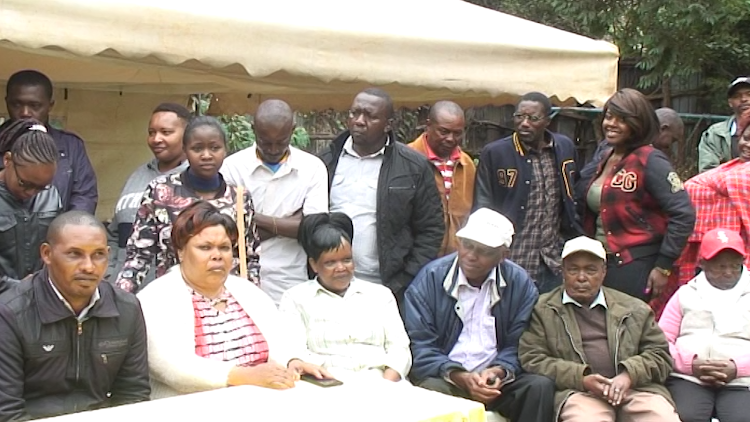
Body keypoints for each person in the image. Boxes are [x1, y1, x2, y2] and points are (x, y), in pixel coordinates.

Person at [137, 201, 330, 399]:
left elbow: (281, 340)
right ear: (181, 252)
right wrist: (243, 375)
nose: (217, 256)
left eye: (224, 248)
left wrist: (292, 361)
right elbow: (173, 367)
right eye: (205, 248)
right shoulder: (156, 298)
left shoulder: (246, 291)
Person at [404, 208, 554, 422]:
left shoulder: (520, 284)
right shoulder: (430, 279)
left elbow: (521, 344)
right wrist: (460, 376)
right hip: (447, 378)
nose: (471, 256)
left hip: (496, 382)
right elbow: (420, 346)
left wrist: (499, 371)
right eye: (466, 245)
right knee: (431, 390)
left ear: (503, 255)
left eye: (484, 251)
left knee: (539, 386)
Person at [0, 211, 150, 420]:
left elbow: (133, 395)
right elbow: (6, 411)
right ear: (46, 254)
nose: (88, 266)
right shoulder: (10, 313)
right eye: (74, 254)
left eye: (98, 254)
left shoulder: (127, 308)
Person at [519, 235, 680, 422]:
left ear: (604, 272)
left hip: (636, 389)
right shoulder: (544, 309)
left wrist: (628, 375)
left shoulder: (634, 308)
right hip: (580, 392)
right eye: (573, 269)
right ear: (562, 271)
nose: (581, 277)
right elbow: (532, 358)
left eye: (590, 270)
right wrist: (582, 378)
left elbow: (660, 355)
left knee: (661, 418)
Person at [319, 88, 443, 299]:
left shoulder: (413, 166)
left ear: (388, 124)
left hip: (384, 286)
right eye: (354, 113)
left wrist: (405, 279)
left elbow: (431, 228)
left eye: (370, 116)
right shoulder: (325, 160)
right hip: (328, 283)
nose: (359, 121)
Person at [116, 116, 260, 293]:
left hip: (226, 301)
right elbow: (139, 255)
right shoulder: (161, 193)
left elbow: (251, 258)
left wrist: (253, 301)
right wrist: (120, 300)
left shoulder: (239, 198)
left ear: (225, 150)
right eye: (197, 148)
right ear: (185, 150)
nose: (206, 155)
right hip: (174, 298)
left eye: (215, 148)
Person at [576, 88, 695, 302]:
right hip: (600, 261)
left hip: (635, 264)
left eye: (621, 119)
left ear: (638, 124)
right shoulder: (605, 156)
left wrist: (663, 266)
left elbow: (683, 213)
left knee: (625, 328)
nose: (611, 124)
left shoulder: (650, 160)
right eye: (609, 116)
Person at [279, 213, 411, 382]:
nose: (341, 268)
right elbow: (293, 351)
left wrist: (385, 385)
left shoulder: (380, 295)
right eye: (330, 263)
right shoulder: (296, 298)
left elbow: (399, 349)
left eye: (347, 260)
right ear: (314, 264)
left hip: (383, 383)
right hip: (326, 385)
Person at [221, 99, 328, 304]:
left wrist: (251, 218)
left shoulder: (312, 168)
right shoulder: (231, 167)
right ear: (254, 130)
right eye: (265, 142)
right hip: (239, 278)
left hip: (291, 279)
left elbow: (314, 229)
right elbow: (230, 232)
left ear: (293, 130)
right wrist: (292, 222)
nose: (272, 149)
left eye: (281, 141)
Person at [474, 92, 579, 294]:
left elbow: (574, 192)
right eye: (519, 117)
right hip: (514, 257)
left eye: (533, 118)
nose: (524, 123)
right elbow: (483, 204)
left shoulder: (564, 147)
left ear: (548, 121)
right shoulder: (496, 153)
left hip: (552, 259)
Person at [651, 108, 750, 316]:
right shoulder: (731, 171)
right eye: (745, 138)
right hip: (705, 250)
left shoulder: (738, 175)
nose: (747, 145)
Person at [658, 228, 750, 422]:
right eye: (720, 266)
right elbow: (660, 341)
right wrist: (691, 365)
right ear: (703, 264)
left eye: (735, 266)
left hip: (742, 380)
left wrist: (737, 367)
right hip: (689, 377)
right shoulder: (685, 294)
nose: (728, 272)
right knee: (685, 416)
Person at [106, 103, 191, 282]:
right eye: (151, 132)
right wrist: (111, 272)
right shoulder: (137, 175)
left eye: (166, 132)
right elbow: (114, 232)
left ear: (187, 136)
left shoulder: (193, 180)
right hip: (123, 289)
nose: (156, 139)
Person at [4, 69, 97, 213]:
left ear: (50, 105)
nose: (25, 113)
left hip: (57, 233)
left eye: (35, 106)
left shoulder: (71, 146)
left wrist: (69, 230)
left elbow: (84, 197)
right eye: (16, 104)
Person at [408, 101, 475, 256]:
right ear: (428, 126)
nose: (451, 139)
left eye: (457, 133)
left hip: (456, 259)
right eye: (444, 132)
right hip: (414, 258)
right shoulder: (406, 158)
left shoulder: (467, 164)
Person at [0, 118, 62, 284]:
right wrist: (21, 288)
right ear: (7, 160)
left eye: (41, 187)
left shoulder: (52, 197)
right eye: (24, 184)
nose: (31, 193)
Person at [698, 76, 750, 172]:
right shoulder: (714, 134)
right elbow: (707, 172)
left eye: (749, 94)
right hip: (725, 186)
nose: (744, 99)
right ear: (730, 102)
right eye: (737, 96)